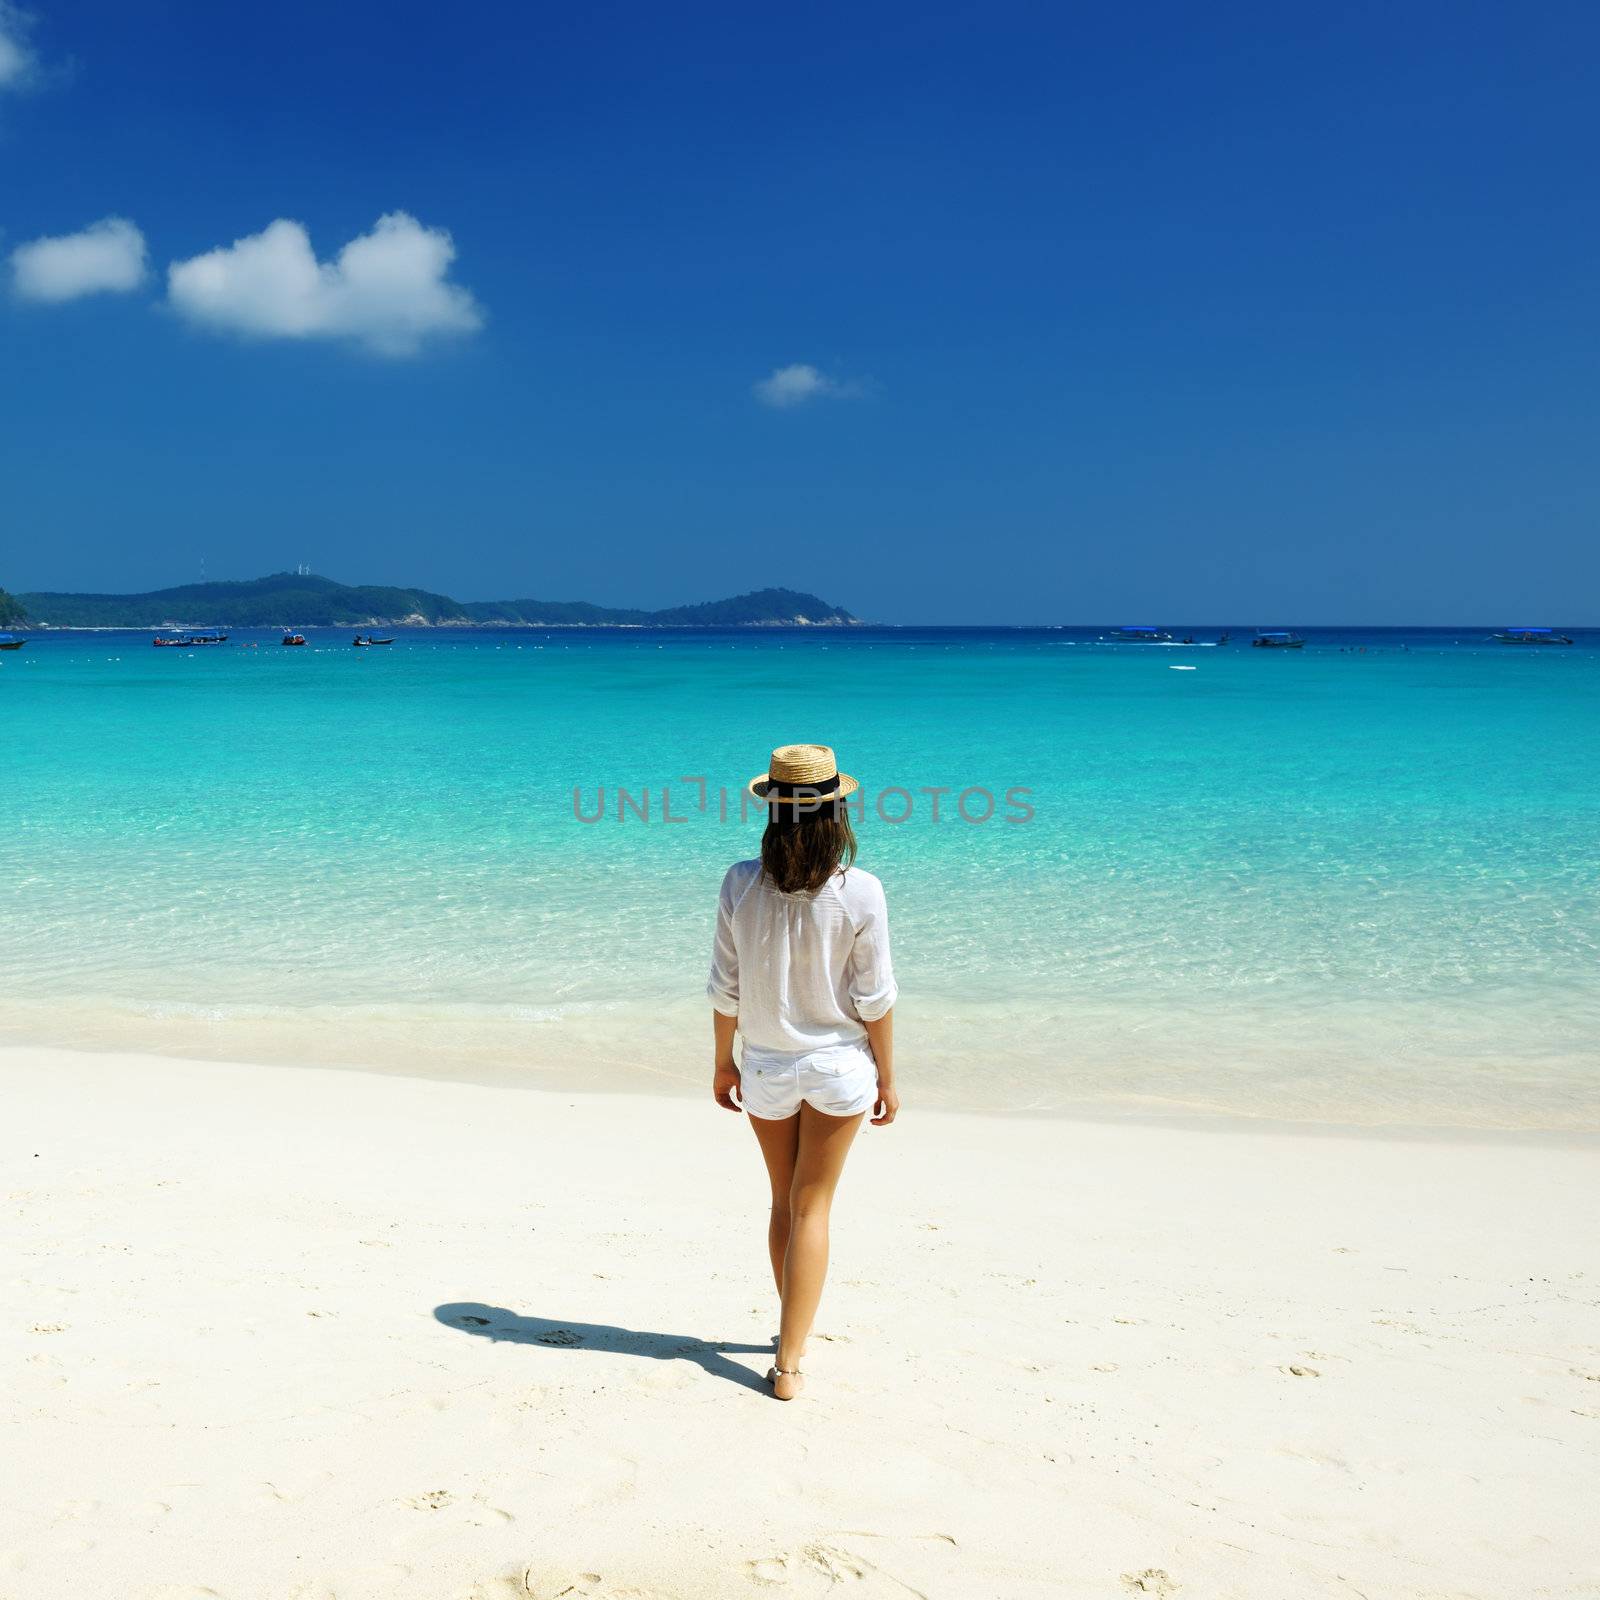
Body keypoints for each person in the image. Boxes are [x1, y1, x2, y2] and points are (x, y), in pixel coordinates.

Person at [707, 743, 899, 1401]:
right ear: (835, 811)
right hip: (839, 1067)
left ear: (773, 810)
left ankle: (789, 1334)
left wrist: (720, 1063)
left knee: (785, 1202)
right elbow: (876, 999)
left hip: (765, 1066)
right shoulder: (860, 891)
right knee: (814, 1207)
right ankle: (790, 1364)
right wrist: (891, 1079)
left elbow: (725, 988)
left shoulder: (740, 883)